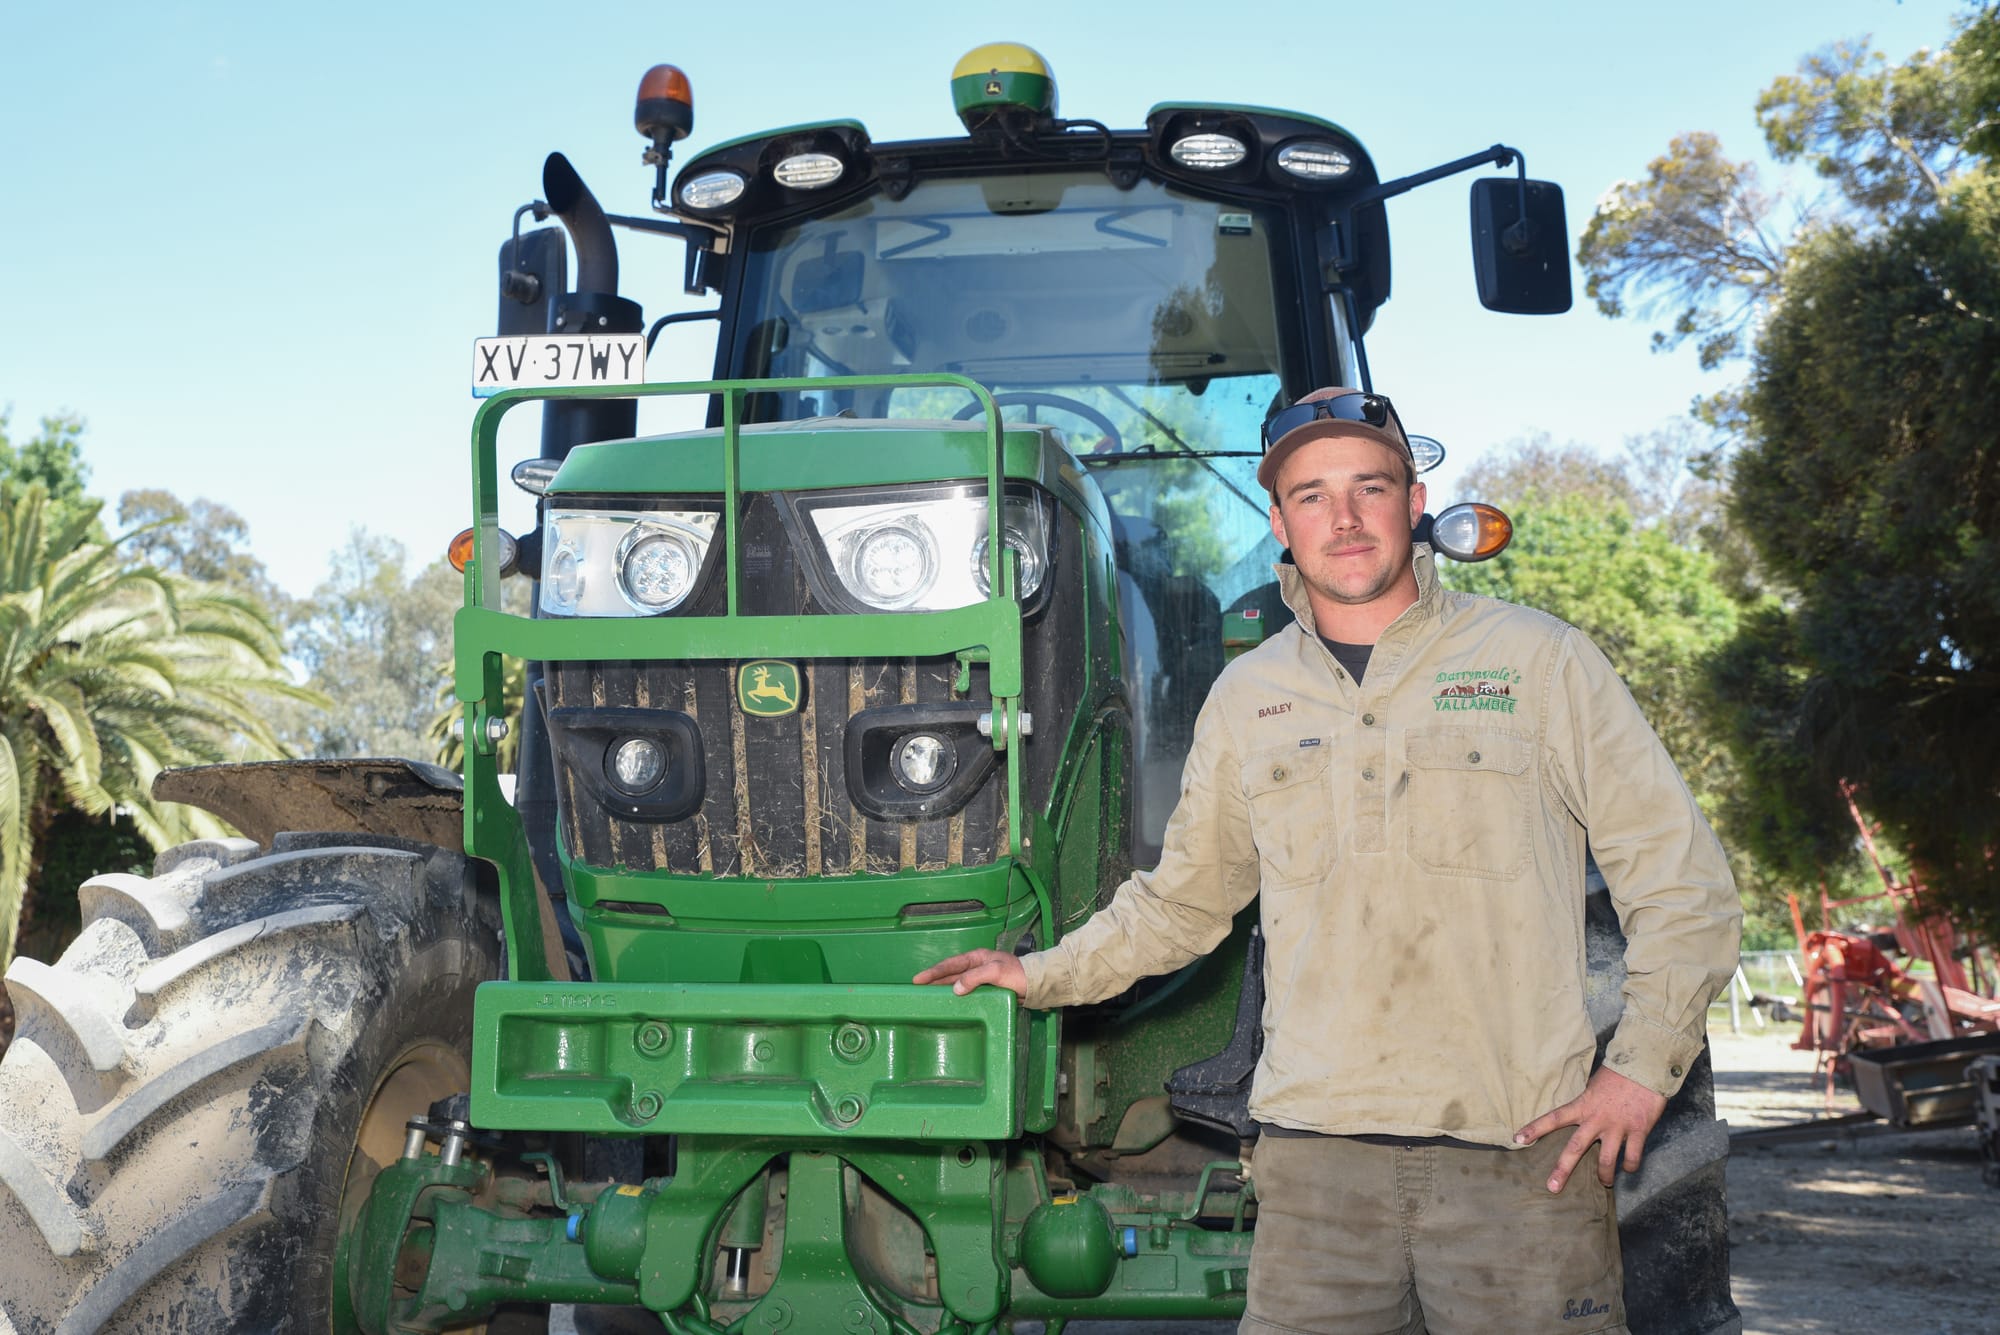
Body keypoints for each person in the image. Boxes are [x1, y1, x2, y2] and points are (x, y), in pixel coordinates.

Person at [914, 387, 1743, 1334]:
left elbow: (1683, 883)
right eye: (1311, 496)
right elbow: (1181, 904)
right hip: (1316, 1178)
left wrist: (1639, 1070)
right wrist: (1040, 973)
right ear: (1279, 521)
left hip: (1519, 1165)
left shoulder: (1540, 662)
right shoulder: (1246, 697)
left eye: (1369, 488)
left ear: (1414, 501)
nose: (1343, 519)